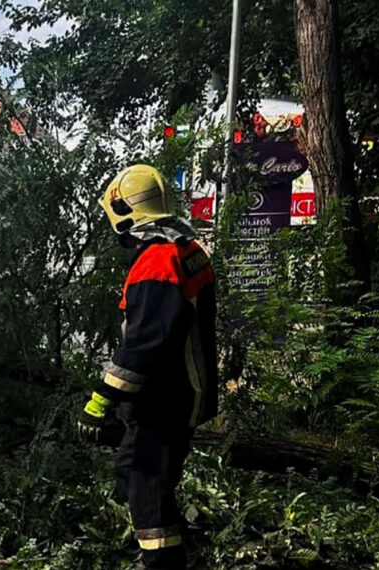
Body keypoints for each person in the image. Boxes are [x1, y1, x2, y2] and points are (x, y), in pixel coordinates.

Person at [77, 164, 218, 569]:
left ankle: (162, 561)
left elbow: (144, 344)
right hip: (181, 391)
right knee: (135, 472)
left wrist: (101, 400)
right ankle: (169, 550)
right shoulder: (186, 250)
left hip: (166, 399)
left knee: (148, 491)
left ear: (124, 212)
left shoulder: (157, 262)